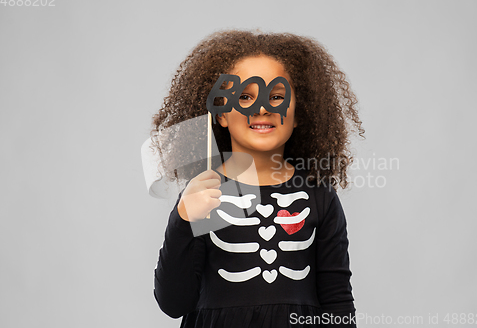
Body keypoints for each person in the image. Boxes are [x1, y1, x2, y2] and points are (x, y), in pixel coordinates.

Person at [150, 30, 364, 327]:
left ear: (299, 113)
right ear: (222, 113)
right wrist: (183, 221)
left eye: (277, 96)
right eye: (245, 96)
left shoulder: (319, 196)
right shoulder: (205, 193)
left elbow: (338, 301)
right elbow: (174, 302)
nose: (262, 108)